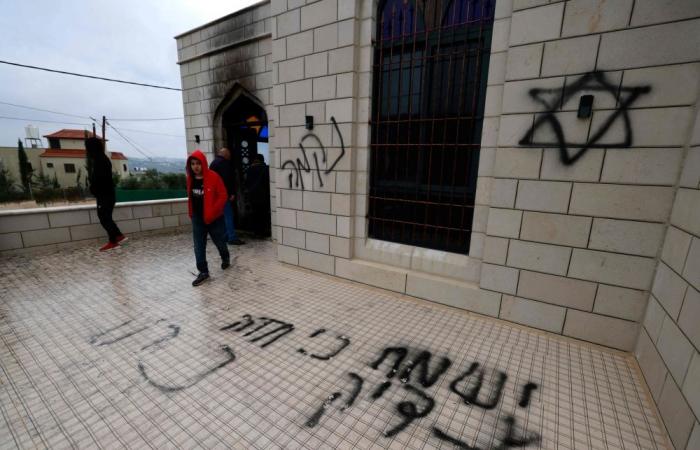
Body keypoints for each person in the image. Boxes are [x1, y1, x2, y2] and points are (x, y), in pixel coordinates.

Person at [186, 150, 231, 286]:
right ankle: (203, 272)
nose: (196, 166)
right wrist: (192, 214)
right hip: (198, 219)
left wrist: (213, 211)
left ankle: (225, 258)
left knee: (220, 242)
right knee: (198, 246)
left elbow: (223, 195)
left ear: (203, 163)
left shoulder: (214, 177)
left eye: (198, 163)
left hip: (214, 219)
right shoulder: (190, 179)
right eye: (193, 164)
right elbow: (191, 199)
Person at [86, 137, 126, 251]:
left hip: (104, 195)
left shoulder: (99, 160)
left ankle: (117, 237)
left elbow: (99, 179)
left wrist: (94, 189)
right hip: (107, 194)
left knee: (104, 217)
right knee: (106, 217)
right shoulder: (103, 159)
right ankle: (114, 240)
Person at [209, 147, 244, 245]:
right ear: (225, 154)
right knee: (228, 216)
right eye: (229, 155)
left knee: (220, 216)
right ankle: (232, 237)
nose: (229, 157)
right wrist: (231, 193)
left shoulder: (213, 163)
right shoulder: (225, 164)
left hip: (214, 195)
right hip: (223, 195)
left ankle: (223, 236)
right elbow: (227, 180)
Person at [245, 153, 271, 237]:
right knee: (263, 214)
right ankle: (263, 232)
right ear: (262, 160)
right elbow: (268, 182)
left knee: (255, 214)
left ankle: (256, 232)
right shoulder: (266, 169)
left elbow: (246, 182)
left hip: (252, 196)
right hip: (263, 196)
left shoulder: (249, 169)